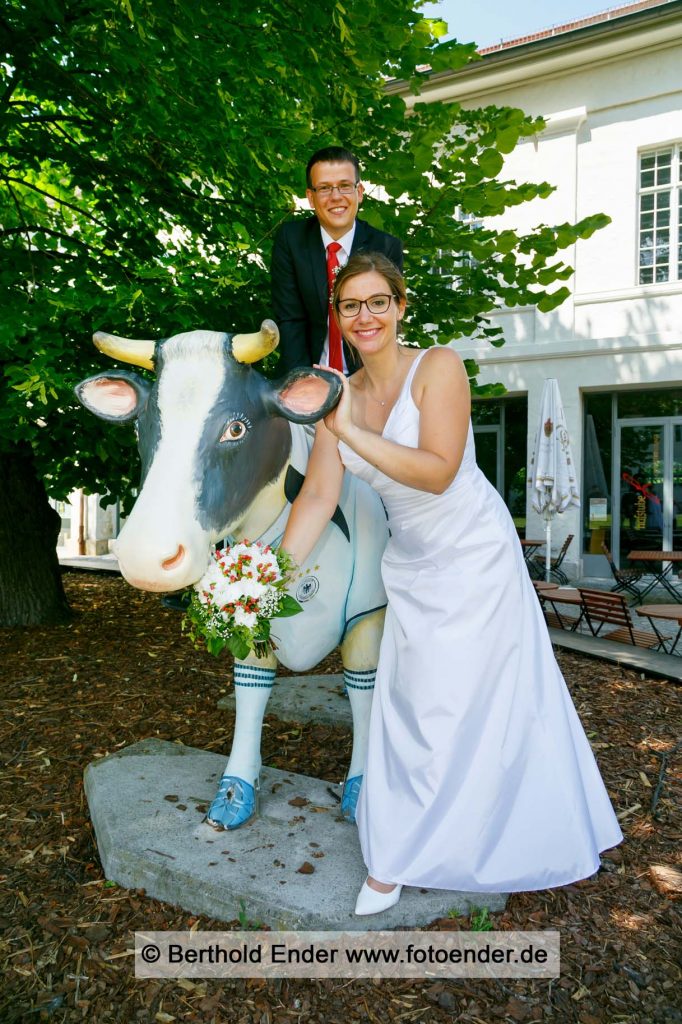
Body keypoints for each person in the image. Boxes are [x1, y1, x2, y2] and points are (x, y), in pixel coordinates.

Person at [281, 252, 623, 916]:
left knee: (483, 701)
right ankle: (399, 855)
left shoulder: (438, 366)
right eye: (351, 306)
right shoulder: (337, 394)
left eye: (378, 301)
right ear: (338, 318)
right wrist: (261, 579)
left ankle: (500, 837)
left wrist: (349, 428)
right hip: (412, 563)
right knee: (415, 705)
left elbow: (437, 471)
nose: (366, 316)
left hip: (474, 551)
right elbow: (317, 499)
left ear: (401, 307)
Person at [271, 146, 403, 375]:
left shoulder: (386, 247)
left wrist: (368, 387)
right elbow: (290, 319)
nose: (335, 197)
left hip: (369, 376)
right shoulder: (291, 240)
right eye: (324, 188)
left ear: (359, 192)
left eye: (344, 186)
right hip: (307, 371)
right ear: (311, 197)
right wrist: (303, 384)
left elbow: (385, 324)